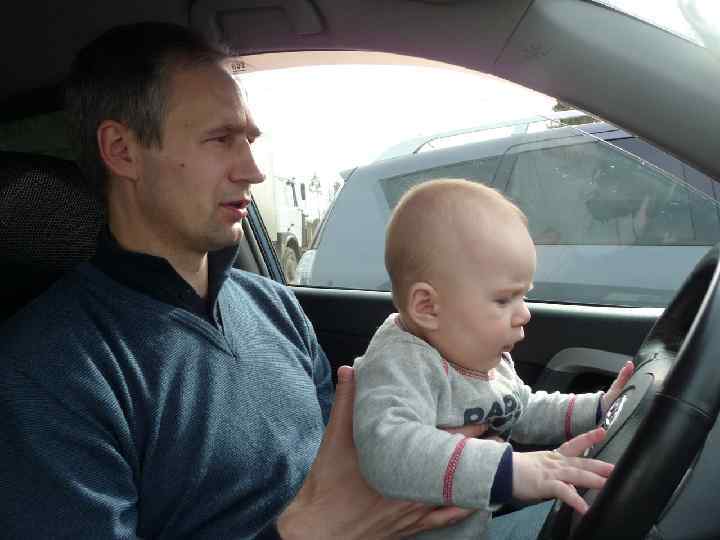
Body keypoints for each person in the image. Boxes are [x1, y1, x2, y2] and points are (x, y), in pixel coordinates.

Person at [0, 22, 501, 539]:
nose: (253, 170)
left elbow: (338, 471)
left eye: (249, 139)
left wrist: (427, 455)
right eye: (220, 139)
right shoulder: (47, 370)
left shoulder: (271, 304)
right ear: (122, 150)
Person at [353, 179, 635, 539]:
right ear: (427, 306)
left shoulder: (481, 355)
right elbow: (387, 449)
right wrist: (511, 470)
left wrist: (599, 408)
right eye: (504, 300)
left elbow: (520, 409)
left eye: (523, 297)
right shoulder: (401, 363)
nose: (525, 314)